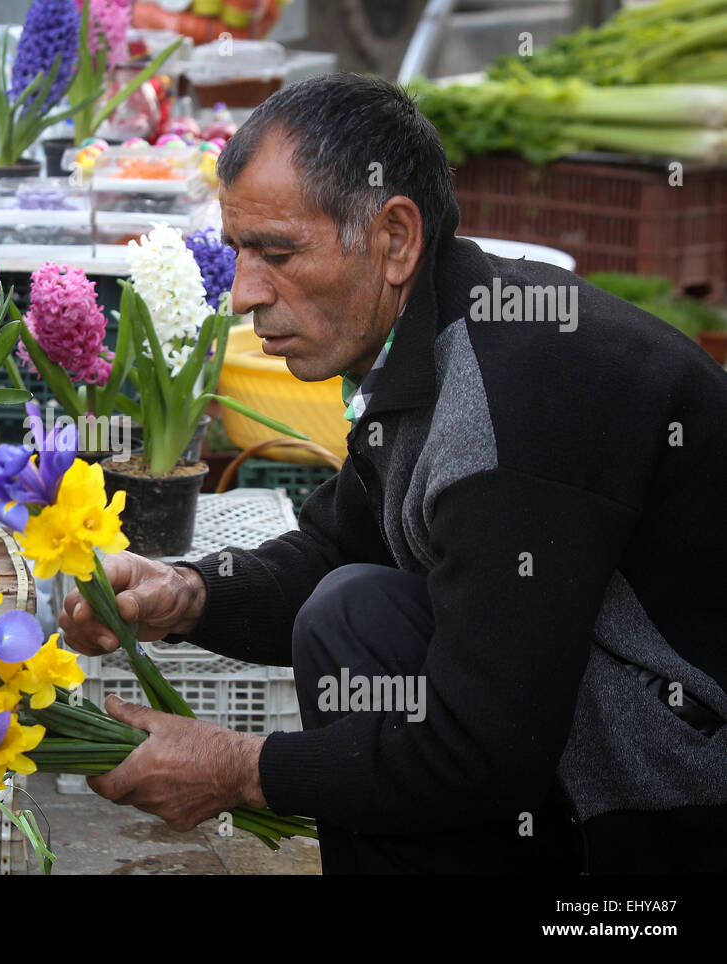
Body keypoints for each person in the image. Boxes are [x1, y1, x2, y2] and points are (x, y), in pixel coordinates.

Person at [60, 73, 727, 874]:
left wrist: (237, 769)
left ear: (396, 239)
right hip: (570, 714)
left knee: (362, 624)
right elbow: (337, 551)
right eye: (240, 252)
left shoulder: (512, 403)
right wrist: (186, 595)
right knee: (353, 605)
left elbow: (485, 750)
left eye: (277, 253)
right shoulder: (429, 336)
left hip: (679, 791)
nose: (243, 294)